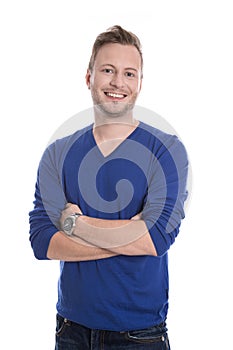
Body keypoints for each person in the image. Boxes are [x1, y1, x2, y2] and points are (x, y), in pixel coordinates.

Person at [29, 25, 189, 349]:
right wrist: (130, 234)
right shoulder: (57, 153)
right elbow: (42, 241)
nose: (118, 82)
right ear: (88, 77)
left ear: (140, 83)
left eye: (130, 73)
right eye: (108, 70)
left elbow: (156, 238)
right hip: (71, 331)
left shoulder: (167, 151)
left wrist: (75, 224)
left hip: (140, 335)